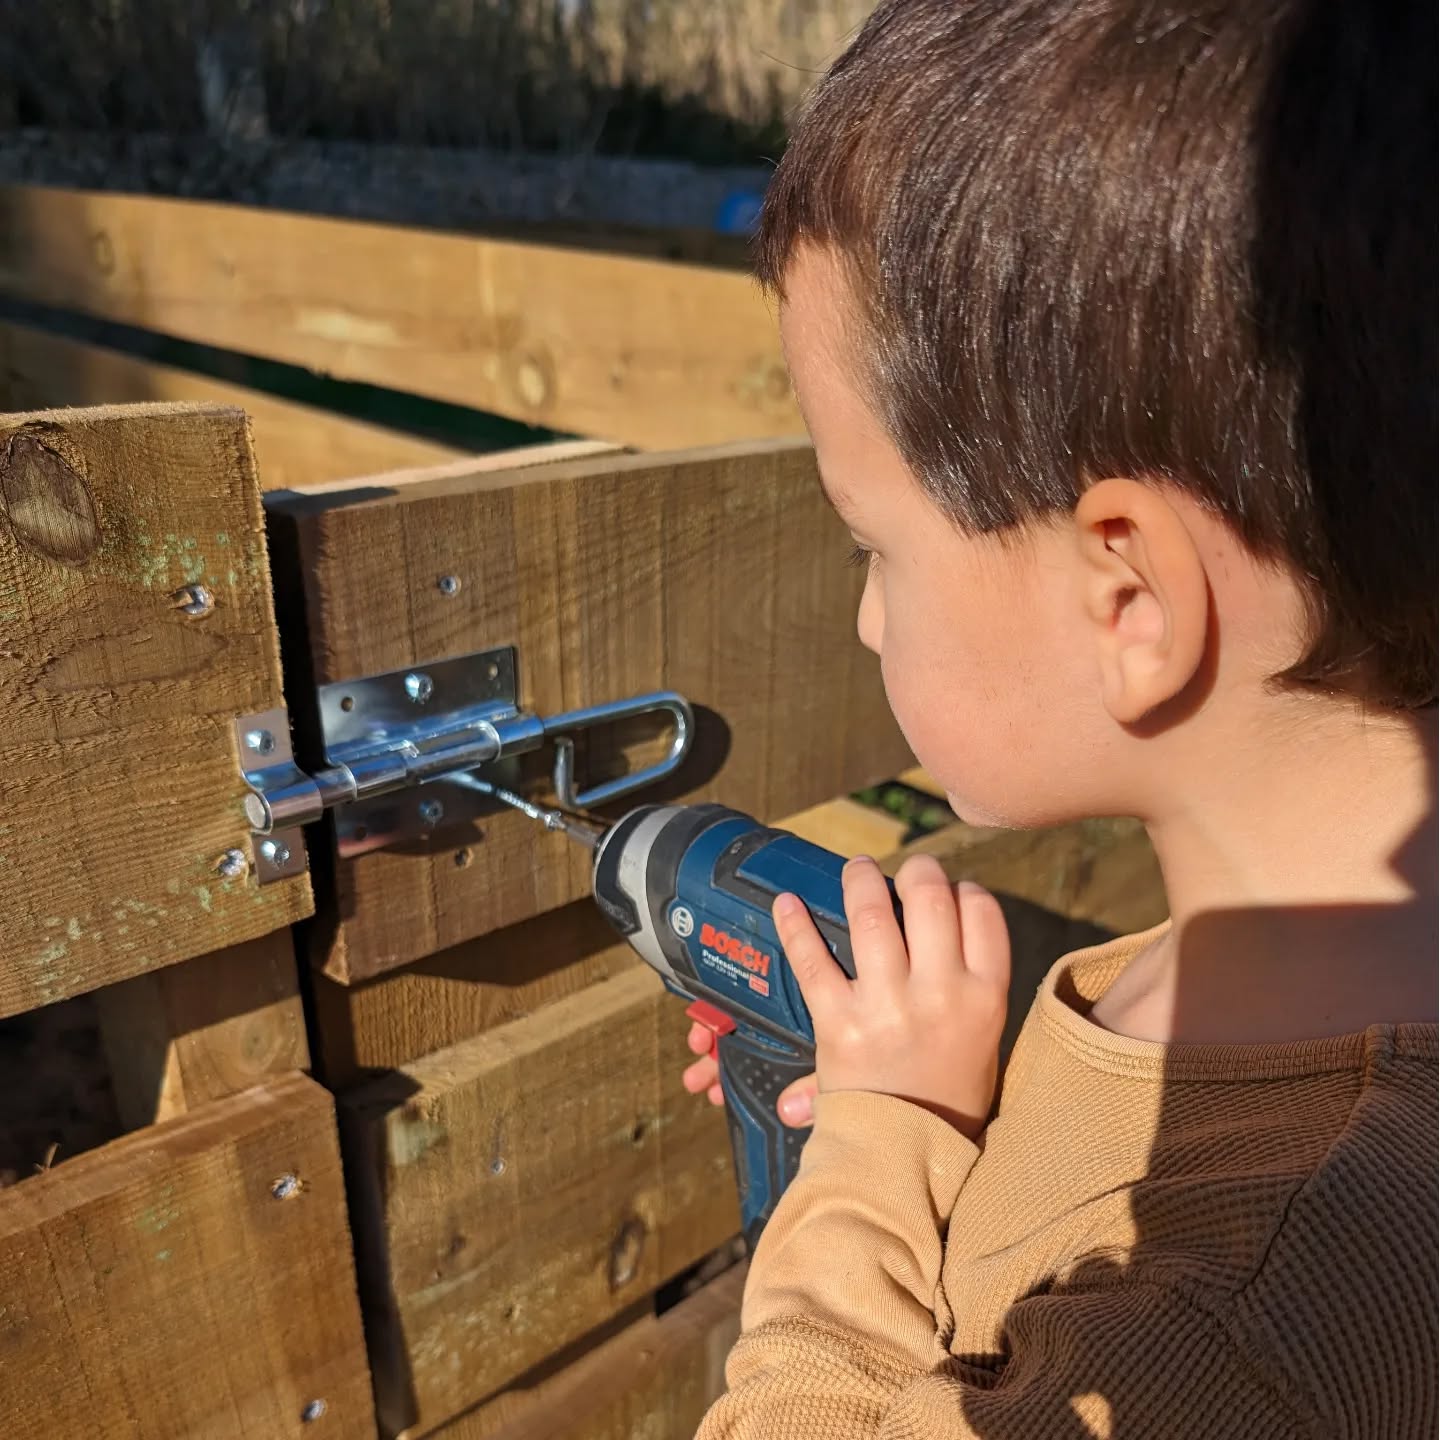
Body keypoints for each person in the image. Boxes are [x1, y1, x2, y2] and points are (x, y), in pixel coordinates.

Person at [681, 2, 1438, 1436]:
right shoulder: (1308, 999)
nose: (865, 617)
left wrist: (880, 1150)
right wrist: (941, 1110)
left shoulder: (1231, 1322)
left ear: (1131, 597)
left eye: (873, 545)